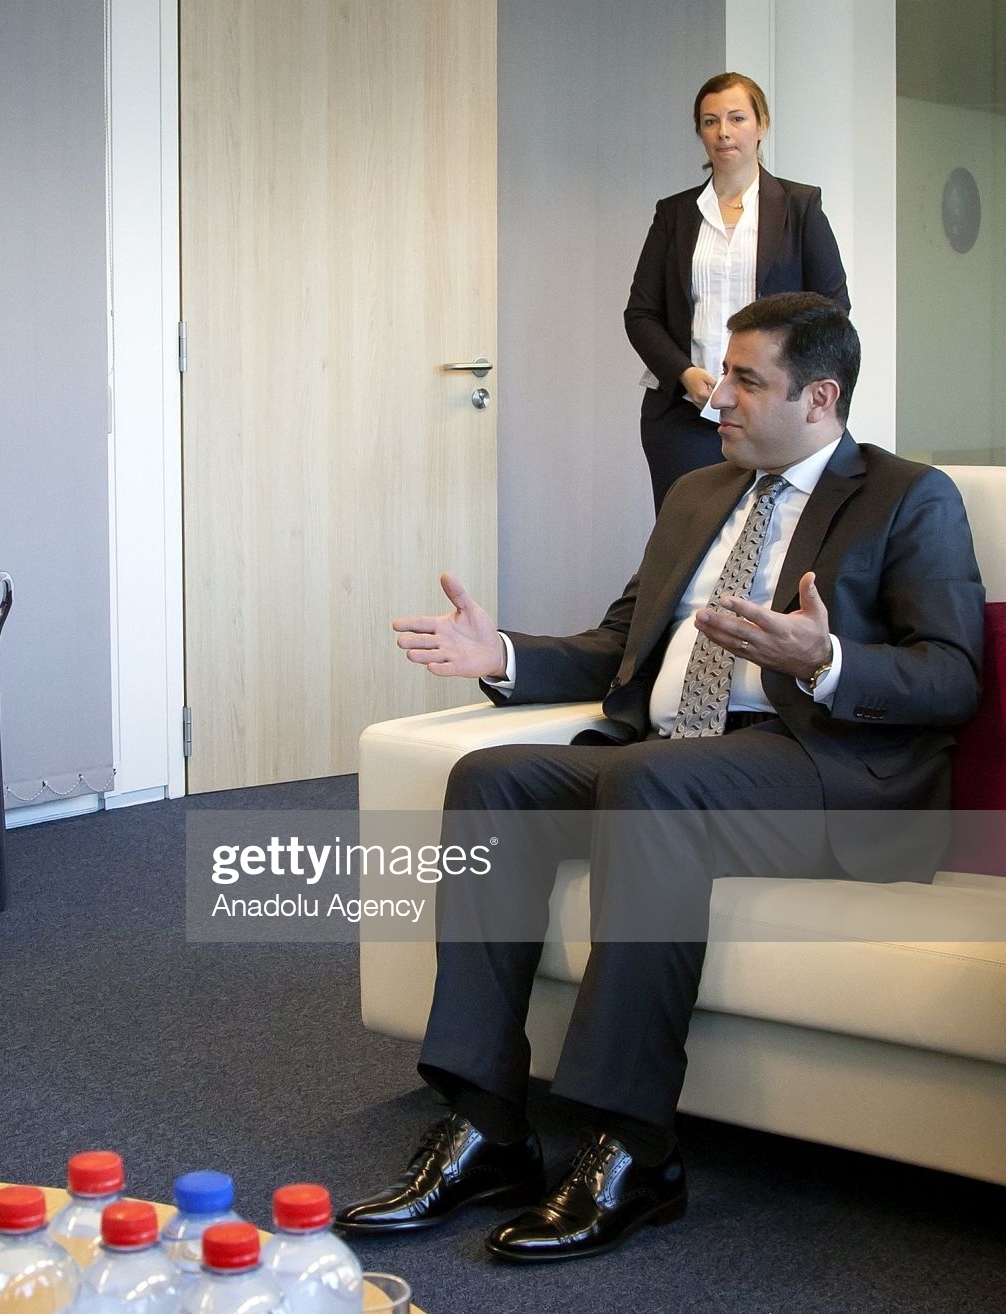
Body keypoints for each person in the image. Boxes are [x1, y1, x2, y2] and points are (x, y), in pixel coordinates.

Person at [340, 292, 983, 1261]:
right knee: (490, 779)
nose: (715, 396)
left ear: (818, 397)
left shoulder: (906, 496)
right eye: (721, 374)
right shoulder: (697, 493)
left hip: (823, 771)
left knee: (652, 786)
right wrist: (503, 654)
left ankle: (632, 1149)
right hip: (672, 757)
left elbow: (951, 675)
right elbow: (620, 644)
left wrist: (824, 658)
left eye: (745, 381)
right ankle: (485, 1129)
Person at [625, 72, 849, 511]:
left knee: (773, 531)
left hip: (776, 412)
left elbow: (833, 308)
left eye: (737, 118)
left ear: (762, 124)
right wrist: (683, 374)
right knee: (688, 536)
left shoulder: (800, 206)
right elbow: (641, 314)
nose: (723, 132)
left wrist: (789, 378)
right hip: (685, 415)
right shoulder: (674, 214)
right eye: (710, 121)